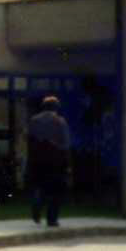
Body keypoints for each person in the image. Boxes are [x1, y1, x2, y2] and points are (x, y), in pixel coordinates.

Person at [25, 95, 71, 227]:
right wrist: (67, 163)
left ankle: (37, 204)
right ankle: (52, 219)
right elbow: (65, 144)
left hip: (37, 161)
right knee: (56, 191)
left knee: (39, 186)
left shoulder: (34, 120)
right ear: (56, 107)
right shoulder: (59, 121)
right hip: (55, 162)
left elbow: (29, 140)